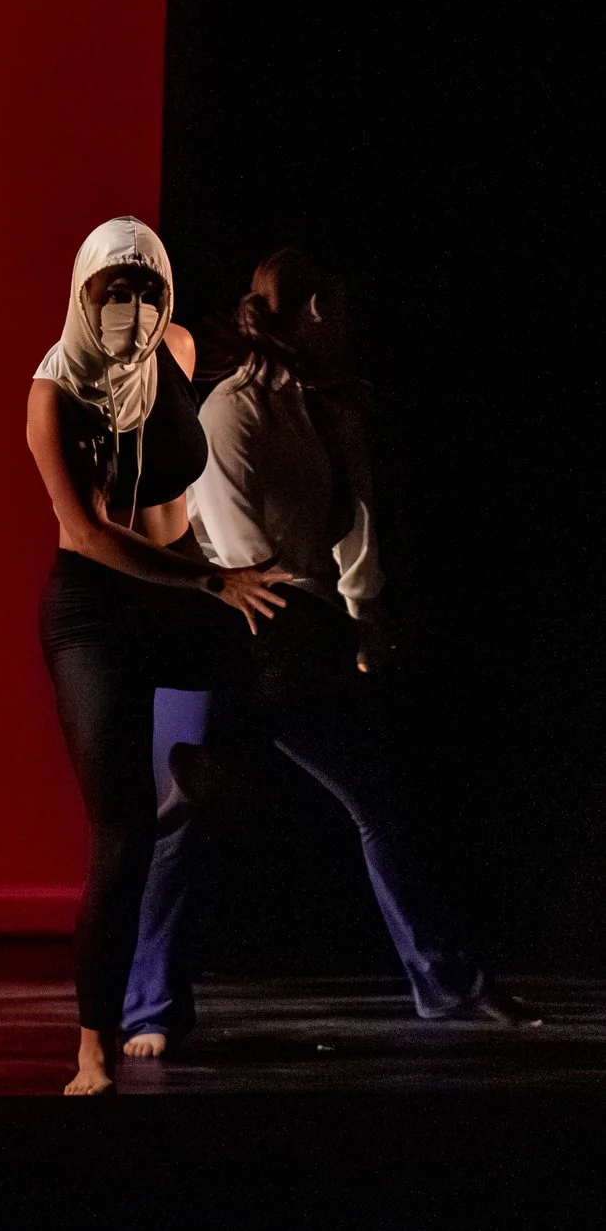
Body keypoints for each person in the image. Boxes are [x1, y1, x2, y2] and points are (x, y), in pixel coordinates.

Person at [118, 250, 535, 1055]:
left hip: (297, 638)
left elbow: (356, 531)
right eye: (335, 307)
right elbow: (239, 551)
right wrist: (301, 620)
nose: (346, 323)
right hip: (230, 636)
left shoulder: (335, 416)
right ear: (312, 310)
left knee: (380, 803)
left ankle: (445, 980)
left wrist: (363, 616)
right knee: (185, 817)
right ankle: (148, 1008)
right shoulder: (230, 411)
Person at [24, 215, 290, 1095]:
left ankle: (211, 768)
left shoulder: (174, 347)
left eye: (147, 287)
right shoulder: (56, 392)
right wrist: (214, 581)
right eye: (115, 288)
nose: (133, 306)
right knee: (124, 832)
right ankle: (93, 1043)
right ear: (84, 290)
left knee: (293, 646)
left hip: (173, 595)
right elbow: (90, 535)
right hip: (95, 616)